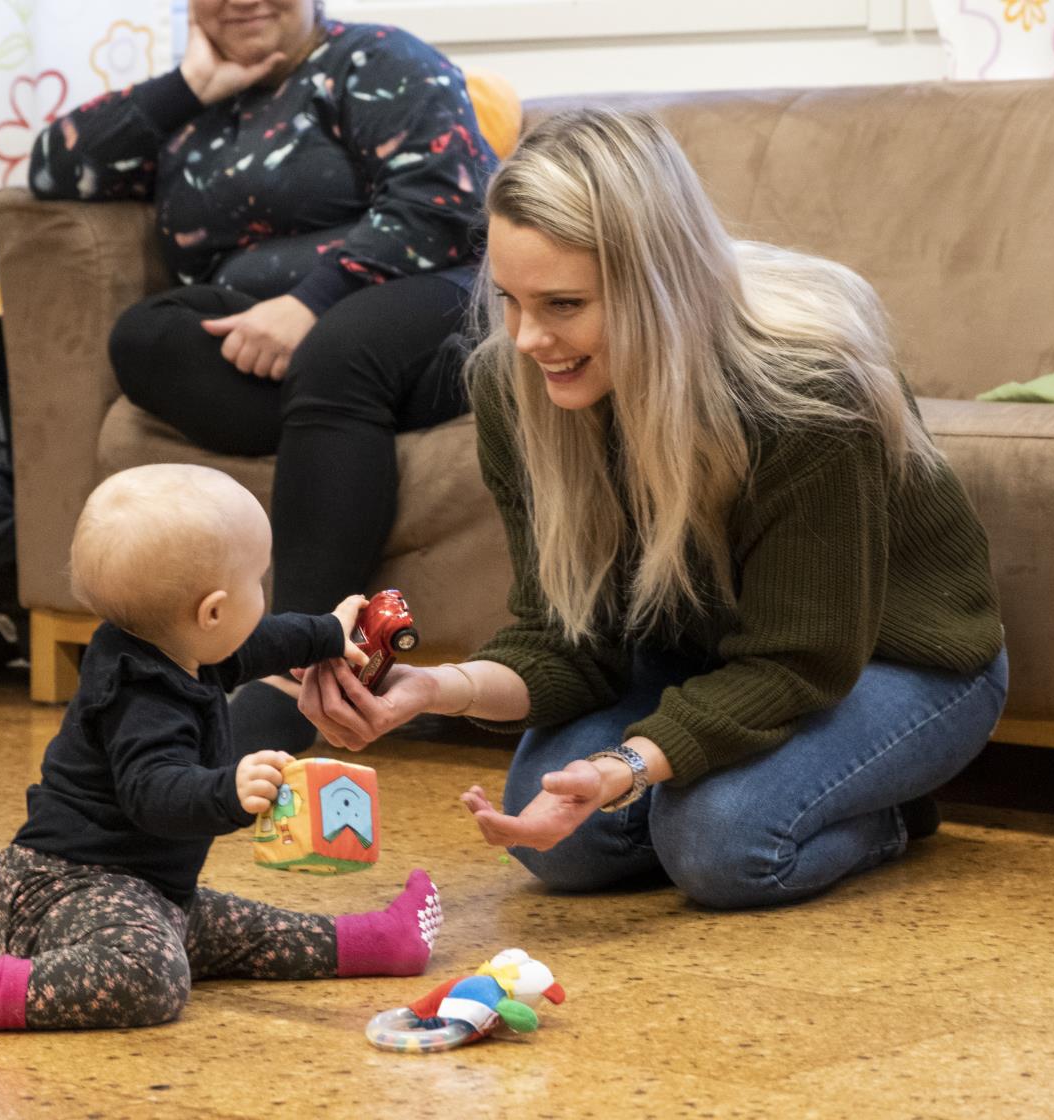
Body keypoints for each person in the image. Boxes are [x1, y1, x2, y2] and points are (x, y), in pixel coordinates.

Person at [294, 109, 1010, 910]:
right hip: (705, 654)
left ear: (661, 286)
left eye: (564, 304)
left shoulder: (807, 396)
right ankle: (758, 787)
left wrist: (629, 765)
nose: (529, 340)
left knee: (718, 842)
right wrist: (431, 691)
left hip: (893, 661)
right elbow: (566, 643)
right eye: (510, 300)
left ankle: (886, 814)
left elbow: (797, 661)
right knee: (565, 851)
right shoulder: (516, 385)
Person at [29, 0, 497, 753]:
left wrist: (312, 305)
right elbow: (55, 165)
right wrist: (187, 86)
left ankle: (300, 665)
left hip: (435, 301)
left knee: (340, 356)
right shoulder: (197, 104)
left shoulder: (380, 58)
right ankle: (346, 418)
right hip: (271, 334)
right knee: (148, 336)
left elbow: (448, 200)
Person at [0, 464, 441, 1038]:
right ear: (213, 613)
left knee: (252, 929)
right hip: (56, 893)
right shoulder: (139, 692)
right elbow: (154, 792)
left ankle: (381, 940)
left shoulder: (177, 643)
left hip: (147, 894)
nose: (264, 595)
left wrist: (327, 633)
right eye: (259, 581)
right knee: (150, 974)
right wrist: (229, 789)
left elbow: (259, 644)